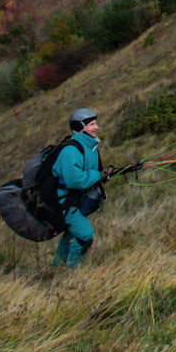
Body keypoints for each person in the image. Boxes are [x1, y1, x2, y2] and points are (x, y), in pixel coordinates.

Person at [52, 108, 106, 268]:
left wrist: (102, 176)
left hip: (74, 201)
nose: (96, 128)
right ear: (80, 127)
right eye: (91, 125)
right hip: (64, 203)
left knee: (72, 233)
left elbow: (92, 174)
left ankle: (57, 270)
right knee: (84, 234)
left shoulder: (91, 149)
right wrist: (97, 176)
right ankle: (72, 271)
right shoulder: (71, 150)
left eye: (95, 124)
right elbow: (75, 180)